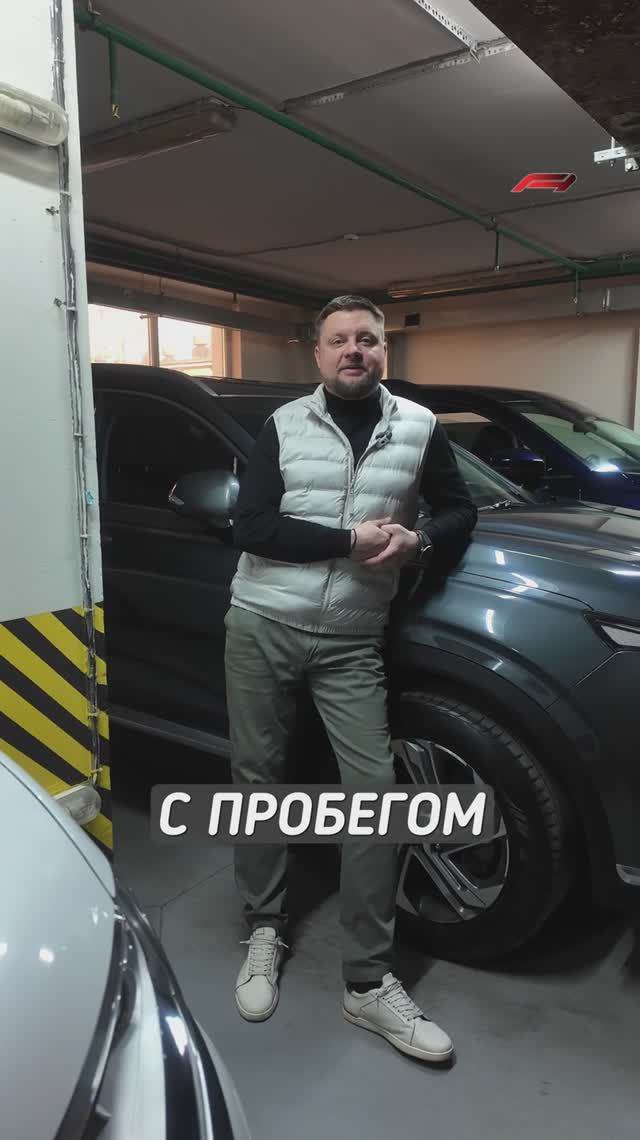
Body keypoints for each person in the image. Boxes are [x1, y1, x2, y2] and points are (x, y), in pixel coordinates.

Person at [224, 295, 477, 1063]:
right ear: (318, 352)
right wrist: (348, 540)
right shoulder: (283, 424)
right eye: (339, 339)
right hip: (262, 622)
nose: (353, 350)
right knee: (259, 779)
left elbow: (459, 509)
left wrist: (420, 540)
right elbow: (252, 526)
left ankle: (367, 982)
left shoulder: (419, 427)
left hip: (351, 638)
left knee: (374, 792)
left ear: (383, 350)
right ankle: (264, 929)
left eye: (367, 338)